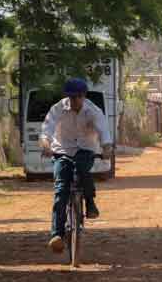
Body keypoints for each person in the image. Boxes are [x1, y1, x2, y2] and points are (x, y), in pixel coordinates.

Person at [39, 77, 114, 253]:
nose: (74, 101)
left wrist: (106, 148)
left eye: (78, 97)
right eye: (71, 97)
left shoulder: (93, 111)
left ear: (84, 96)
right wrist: (46, 146)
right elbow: (46, 131)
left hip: (85, 149)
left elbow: (104, 133)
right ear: (67, 97)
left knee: (82, 169)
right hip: (62, 150)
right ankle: (56, 235)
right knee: (60, 190)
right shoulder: (57, 108)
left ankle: (90, 202)